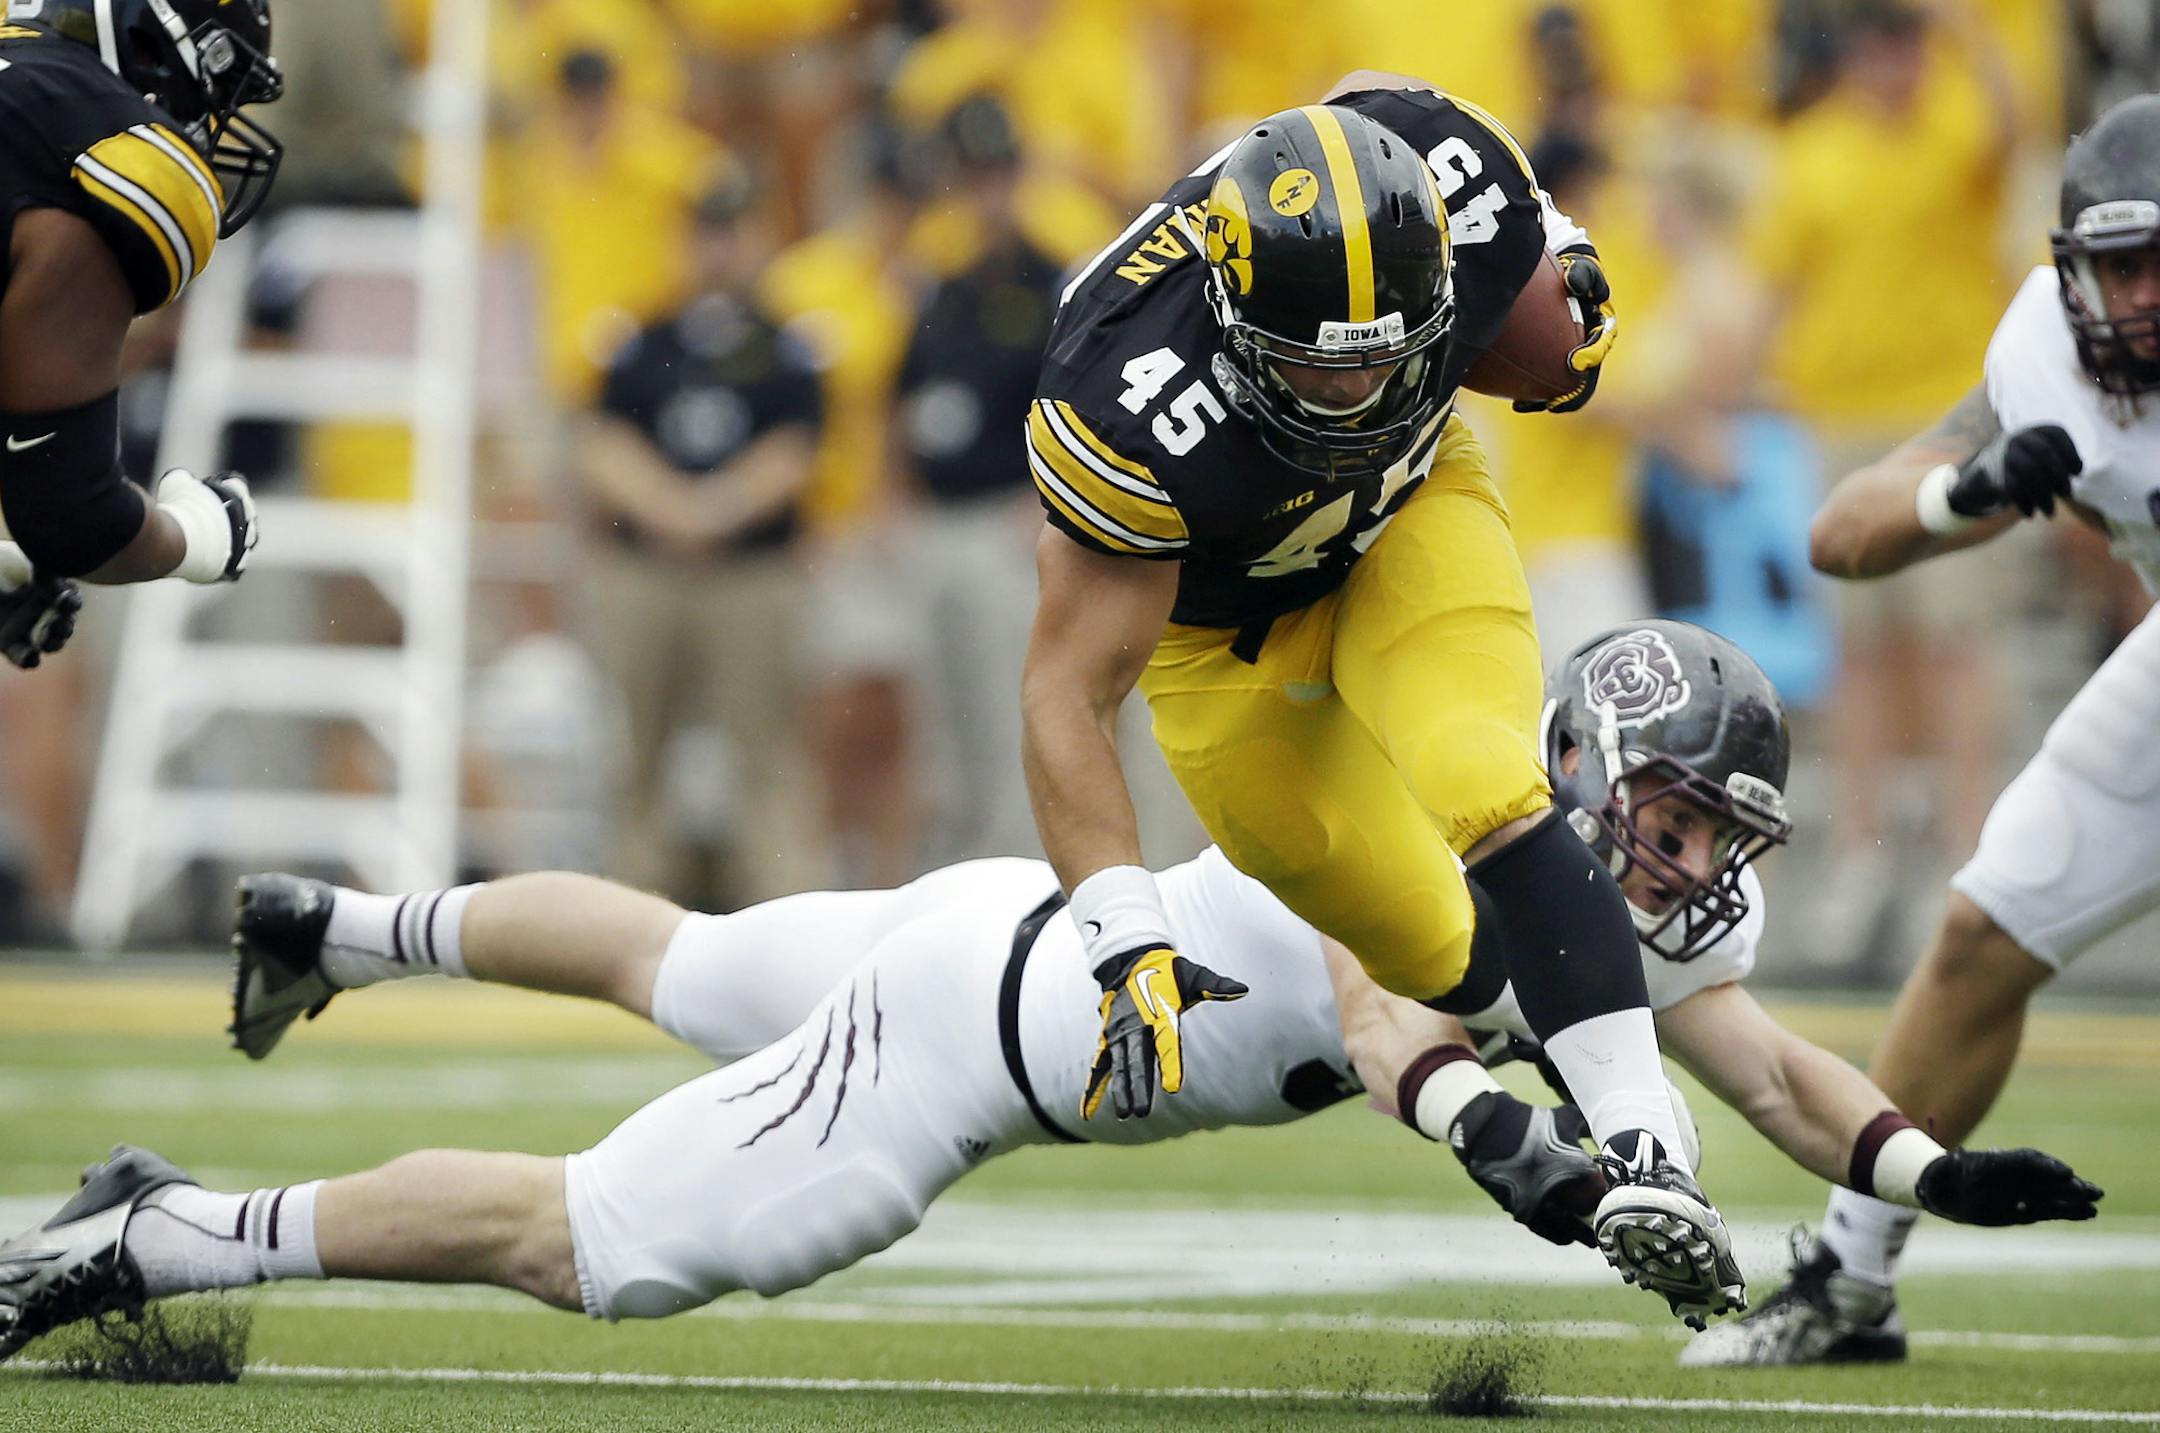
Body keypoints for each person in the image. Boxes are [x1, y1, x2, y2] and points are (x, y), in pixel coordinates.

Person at [0, 621, 2097, 1359]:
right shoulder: (1441, 839)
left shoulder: (1596, 892)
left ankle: (337, 921)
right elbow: (1389, 1027)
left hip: (1024, 926)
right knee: (594, 1244)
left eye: (1715, 837)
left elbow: (1762, 1058)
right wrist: (1536, 1160)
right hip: (963, 1050)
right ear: (1569, 766)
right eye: (1667, 817)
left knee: (676, 949)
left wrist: (1927, 1160)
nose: (1687, 865)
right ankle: (151, 1222)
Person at [1015, 69, 1741, 1319]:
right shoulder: (1124, 398)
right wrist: (1121, 924)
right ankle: (1562, 1036)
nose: (1355, 390)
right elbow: (1066, 695)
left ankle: (1645, 1147)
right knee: (1432, 948)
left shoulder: (1458, 188)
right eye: (1319, 369)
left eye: (1386, 358)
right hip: (1221, 640)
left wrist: (1562, 319)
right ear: (1235, 320)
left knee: (1482, 777)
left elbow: (1547, 313)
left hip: (1409, 513)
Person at [1681, 92, 2160, 1369]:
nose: (2150, 295)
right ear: (2076, 274)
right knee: (1981, 930)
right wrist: (1971, 489)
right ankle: (1849, 1281)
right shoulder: (2050, 357)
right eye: (2126, 265)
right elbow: (1842, 533)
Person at [0, 0, 284, 669]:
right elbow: (76, 523)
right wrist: (204, 536)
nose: (207, 127)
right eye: (213, 89)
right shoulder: (86, 159)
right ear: (147, 44)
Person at [574, 169, 824, 910]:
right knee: (635, 752)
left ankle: (785, 917)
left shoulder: (786, 346)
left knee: (766, 756)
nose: (717, 250)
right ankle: (623, 915)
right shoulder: (641, 341)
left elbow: (796, 448)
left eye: (731, 232)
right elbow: (602, 442)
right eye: (705, 233)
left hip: (750, 574)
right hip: (648, 570)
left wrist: (713, 509)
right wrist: (670, 506)